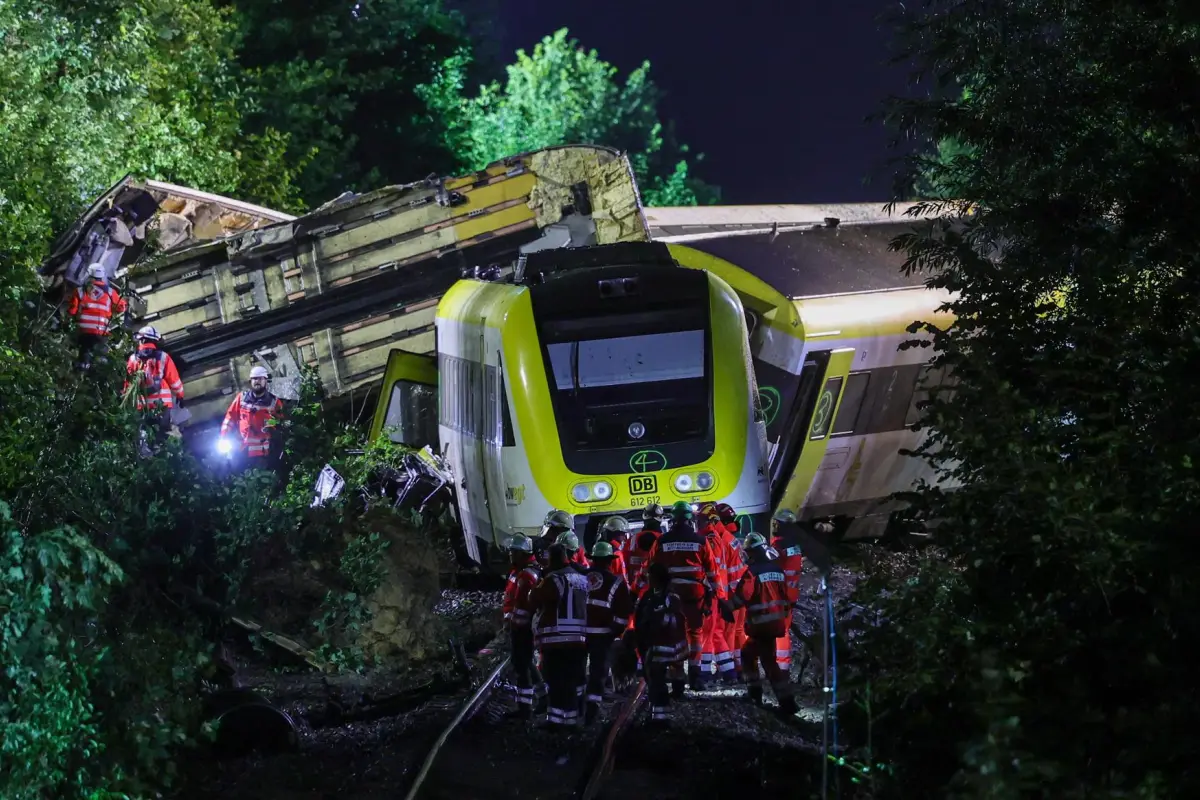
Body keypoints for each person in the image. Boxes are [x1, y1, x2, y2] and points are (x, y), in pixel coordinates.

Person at [648, 501, 718, 690]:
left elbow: (652, 567)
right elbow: (712, 570)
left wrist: (653, 594)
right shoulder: (701, 541)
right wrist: (717, 593)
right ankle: (695, 676)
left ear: (673, 519)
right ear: (690, 519)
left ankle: (678, 677)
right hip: (695, 594)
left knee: (674, 634)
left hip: (671, 594)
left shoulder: (662, 541)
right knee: (695, 633)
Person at [728, 533, 797, 715]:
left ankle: (781, 701)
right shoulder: (778, 571)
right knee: (754, 656)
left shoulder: (752, 573)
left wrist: (725, 605)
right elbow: (787, 597)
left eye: (748, 552)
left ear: (753, 552)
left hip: (761, 626)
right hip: (776, 623)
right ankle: (768, 696)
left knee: (764, 662)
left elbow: (741, 598)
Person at [529, 544, 590, 729]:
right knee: (573, 679)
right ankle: (572, 718)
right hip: (580, 638)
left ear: (553, 559)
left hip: (556, 638)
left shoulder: (554, 579)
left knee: (556, 680)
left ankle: (556, 721)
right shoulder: (582, 578)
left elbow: (535, 598)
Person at [582, 541, 632, 723]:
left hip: (578, 632)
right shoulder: (616, 582)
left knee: (578, 669)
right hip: (602, 634)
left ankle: (577, 705)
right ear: (610, 561)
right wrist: (615, 632)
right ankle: (592, 709)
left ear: (593, 560)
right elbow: (624, 612)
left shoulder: (580, 577)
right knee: (598, 670)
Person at [634, 562, 689, 724]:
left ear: (656, 578)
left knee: (657, 680)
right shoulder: (661, 596)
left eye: (650, 576)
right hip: (667, 645)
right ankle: (677, 690)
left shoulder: (662, 598)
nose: (647, 578)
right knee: (666, 674)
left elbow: (652, 622)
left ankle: (660, 718)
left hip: (661, 646)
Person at [503, 534, 544, 719]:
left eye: (513, 551)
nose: (510, 555)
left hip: (523, 628)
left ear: (521, 553)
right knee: (525, 663)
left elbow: (523, 606)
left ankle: (525, 708)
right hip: (518, 626)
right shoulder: (518, 571)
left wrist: (513, 624)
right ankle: (543, 696)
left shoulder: (527, 575)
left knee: (521, 666)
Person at [698, 504, 739, 685]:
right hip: (719, 593)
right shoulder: (718, 539)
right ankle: (729, 671)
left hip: (712, 594)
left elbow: (711, 569)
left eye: (699, 520)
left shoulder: (710, 540)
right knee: (714, 632)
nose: (696, 523)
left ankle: (705, 673)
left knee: (708, 632)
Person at [218, 365, 284, 471]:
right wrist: (224, 436)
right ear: (250, 381)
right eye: (254, 378)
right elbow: (229, 418)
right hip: (242, 452)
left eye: (260, 378)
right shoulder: (241, 398)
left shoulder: (274, 402)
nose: (257, 381)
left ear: (266, 381)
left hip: (264, 454)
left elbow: (281, 424)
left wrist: (272, 427)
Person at [67, 263, 127, 370]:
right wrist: (110, 310)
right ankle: (96, 371)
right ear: (102, 276)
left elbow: (72, 311)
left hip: (83, 331)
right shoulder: (110, 292)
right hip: (101, 332)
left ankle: (81, 367)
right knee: (99, 355)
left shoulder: (80, 291)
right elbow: (121, 307)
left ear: (89, 275)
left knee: (84, 349)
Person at [716, 503, 748, 679]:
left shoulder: (721, 540)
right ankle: (741, 666)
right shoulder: (731, 538)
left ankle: (728, 670)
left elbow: (722, 571)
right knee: (738, 631)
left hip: (731, 595)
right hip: (741, 592)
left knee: (727, 631)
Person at [770, 508, 804, 675]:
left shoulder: (779, 545)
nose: (775, 526)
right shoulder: (795, 546)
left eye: (777, 524)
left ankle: (781, 668)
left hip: (780, 595)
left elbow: (769, 565)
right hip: (790, 595)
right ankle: (782, 667)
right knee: (783, 630)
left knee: (779, 631)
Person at [123, 326, 184, 412]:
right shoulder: (163, 357)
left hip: (143, 407)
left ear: (141, 340)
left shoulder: (133, 359)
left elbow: (128, 384)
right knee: (164, 425)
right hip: (163, 404)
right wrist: (180, 395)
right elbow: (174, 380)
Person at [625, 504, 665, 597]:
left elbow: (623, 562)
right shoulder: (662, 540)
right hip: (658, 590)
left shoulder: (632, 540)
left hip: (635, 590)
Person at [596, 516, 629, 582]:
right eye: (623, 534)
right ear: (617, 534)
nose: (624, 538)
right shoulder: (616, 553)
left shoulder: (599, 550)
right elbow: (621, 577)